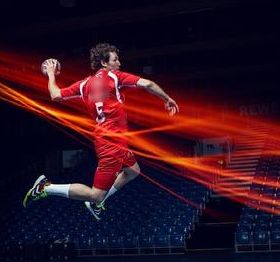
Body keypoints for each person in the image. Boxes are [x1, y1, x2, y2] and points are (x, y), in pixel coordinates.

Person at [23, 42, 179, 220]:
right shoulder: (114, 76)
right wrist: (167, 99)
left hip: (108, 139)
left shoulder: (84, 84)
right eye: (115, 59)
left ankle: (96, 203)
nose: (119, 63)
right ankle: (45, 187)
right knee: (95, 194)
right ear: (104, 63)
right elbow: (148, 84)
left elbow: (55, 95)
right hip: (111, 143)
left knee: (133, 170)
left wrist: (51, 74)